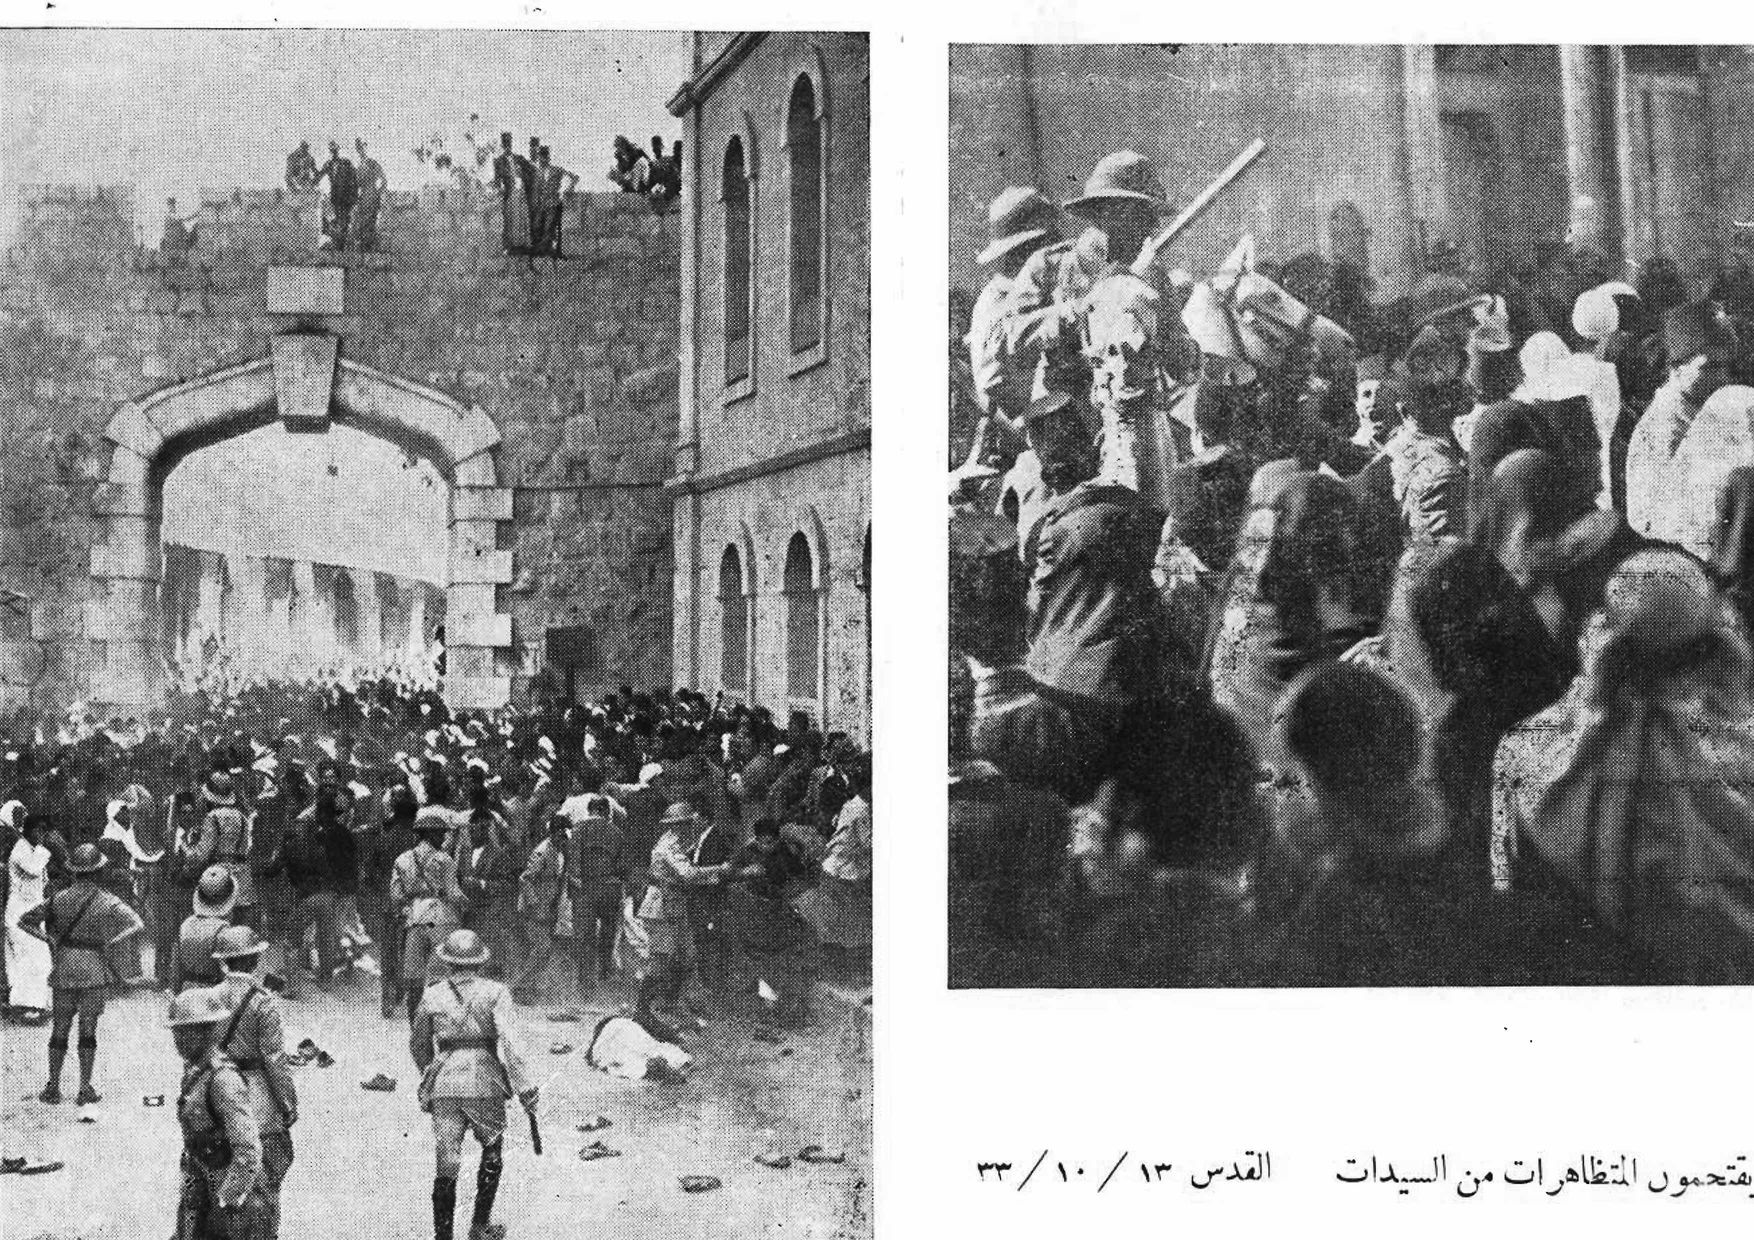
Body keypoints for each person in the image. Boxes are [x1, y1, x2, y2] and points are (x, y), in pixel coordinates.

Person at [1494, 551, 1754, 982]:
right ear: (1711, 653)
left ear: (1598, 632)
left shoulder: (1523, 749)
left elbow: (1504, 883)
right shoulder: (1734, 757)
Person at [409, 928, 538, 1240]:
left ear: (448, 962)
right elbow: (511, 1044)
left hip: (445, 1081)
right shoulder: (496, 993)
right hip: (485, 1079)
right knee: (492, 1149)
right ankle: (479, 1226)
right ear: (480, 962)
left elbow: (418, 1044)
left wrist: (434, 1071)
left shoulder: (432, 993)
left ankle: (443, 1236)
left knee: (447, 1160)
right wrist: (526, 1089)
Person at [17, 842, 145, 1104]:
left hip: (64, 969)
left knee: (59, 1030)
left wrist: (49, 939)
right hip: (94, 971)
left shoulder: (58, 899)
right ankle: (84, 1088)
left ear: (74, 871)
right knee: (88, 1032)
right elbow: (136, 923)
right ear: (98, 871)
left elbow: (24, 921)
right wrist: (113, 941)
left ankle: (52, 1087)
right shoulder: (108, 901)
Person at [1626, 301, 1746, 555]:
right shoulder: (1662, 428)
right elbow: (1652, 524)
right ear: (1676, 367)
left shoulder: (1707, 406)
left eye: (1726, 366)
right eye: (1710, 367)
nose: (1723, 376)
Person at [210, 925, 296, 1240]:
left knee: (222, 1181)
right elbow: (274, 1060)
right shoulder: (263, 1002)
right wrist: (288, 1103)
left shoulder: (209, 998)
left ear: (223, 962)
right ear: (255, 959)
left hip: (218, 1091)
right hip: (257, 1096)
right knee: (266, 1184)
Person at [169, 987, 266, 1240]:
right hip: (200, 1181)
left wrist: (227, 1200)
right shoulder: (194, 1071)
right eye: (176, 1032)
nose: (180, 1040)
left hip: (225, 1190)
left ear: (208, 1032)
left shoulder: (223, 1080)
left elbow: (247, 1148)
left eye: (188, 1033)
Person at [635, 801, 731, 1037]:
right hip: (661, 907)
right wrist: (718, 869)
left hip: (673, 904)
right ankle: (642, 1008)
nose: (690, 826)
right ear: (678, 824)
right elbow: (687, 874)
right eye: (687, 823)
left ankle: (669, 1001)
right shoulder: (670, 845)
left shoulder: (674, 843)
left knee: (686, 956)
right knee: (660, 959)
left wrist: (711, 876)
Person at [390, 808, 469, 1021]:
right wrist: (466, 904)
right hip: (442, 919)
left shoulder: (402, 860)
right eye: (441, 834)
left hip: (414, 920)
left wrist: (409, 909)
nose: (444, 838)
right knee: (440, 974)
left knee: (414, 976)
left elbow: (396, 897)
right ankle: (438, 1020)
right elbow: (453, 893)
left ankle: (414, 1022)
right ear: (430, 835)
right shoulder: (444, 860)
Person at [184, 771, 256, 930]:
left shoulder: (212, 817)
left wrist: (187, 849)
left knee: (219, 929)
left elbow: (202, 854)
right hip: (243, 876)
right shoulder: (242, 817)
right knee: (241, 929)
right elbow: (247, 848)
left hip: (220, 878)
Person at [511, 813, 569, 1006]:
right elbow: (525, 879)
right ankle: (519, 987)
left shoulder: (558, 850)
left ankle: (528, 988)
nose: (564, 837)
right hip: (535, 909)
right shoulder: (542, 852)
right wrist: (535, 905)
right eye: (561, 833)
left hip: (547, 907)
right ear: (553, 832)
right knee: (542, 949)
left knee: (543, 950)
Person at [5, 809, 52, 1021]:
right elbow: (33, 869)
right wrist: (45, 850)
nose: (41, 835)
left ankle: (36, 1004)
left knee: (39, 957)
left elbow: (43, 881)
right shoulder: (21, 850)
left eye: (44, 831)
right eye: (38, 830)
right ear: (28, 830)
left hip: (33, 910)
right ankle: (27, 1006)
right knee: (27, 958)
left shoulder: (33, 849)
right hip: (19, 911)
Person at [175, 865, 238, 993]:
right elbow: (227, 975)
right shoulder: (223, 930)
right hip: (212, 994)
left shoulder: (185, 925)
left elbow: (176, 970)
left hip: (187, 990)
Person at [491, 133, 533, 257]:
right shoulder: (498, 161)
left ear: (511, 144)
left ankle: (524, 245)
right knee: (509, 219)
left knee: (522, 217)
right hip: (509, 193)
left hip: (521, 192)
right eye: (505, 144)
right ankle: (507, 246)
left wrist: (522, 175)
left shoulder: (519, 158)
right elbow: (497, 180)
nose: (508, 146)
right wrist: (500, 188)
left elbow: (531, 170)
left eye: (509, 143)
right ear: (503, 145)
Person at [533, 145, 577, 258]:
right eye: (539, 158)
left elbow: (574, 178)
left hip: (554, 204)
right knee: (537, 226)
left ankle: (548, 250)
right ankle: (547, 248)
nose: (540, 160)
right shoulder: (538, 173)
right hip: (542, 204)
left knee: (549, 227)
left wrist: (568, 190)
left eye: (543, 158)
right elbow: (536, 189)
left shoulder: (557, 170)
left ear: (547, 158)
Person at [314, 140, 358, 251]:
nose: (334, 152)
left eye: (335, 150)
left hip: (346, 198)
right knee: (338, 220)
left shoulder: (346, 163)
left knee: (344, 221)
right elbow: (318, 176)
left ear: (338, 150)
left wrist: (354, 196)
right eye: (332, 151)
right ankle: (338, 245)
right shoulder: (328, 164)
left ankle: (341, 246)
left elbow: (354, 178)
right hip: (335, 198)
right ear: (330, 151)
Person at [350, 138, 387, 252]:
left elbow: (384, 180)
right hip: (362, 197)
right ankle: (364, 252)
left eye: (362, 147)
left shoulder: (372, 163)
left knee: (371, 223)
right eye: (358, 148)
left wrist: (378, 193)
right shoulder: (358, 167)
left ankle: (371, 250)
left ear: (366, 147)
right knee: (360, 224)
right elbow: (356, 184)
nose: (360, 150)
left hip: (372, 195)